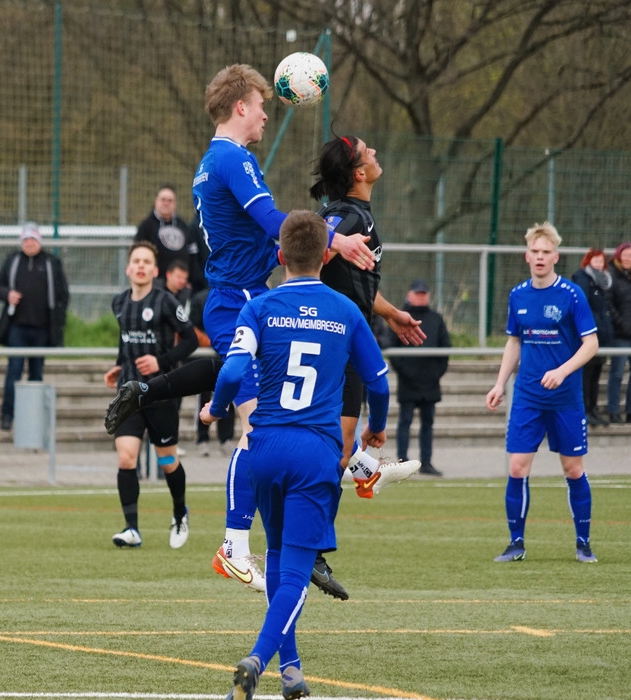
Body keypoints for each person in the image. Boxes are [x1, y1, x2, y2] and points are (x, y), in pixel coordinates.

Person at [104, 64, 375, 597]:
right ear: (240, 107)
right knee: (257, 430)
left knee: (278, 414)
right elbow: (273, 222)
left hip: (243, 295)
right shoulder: (233, 159)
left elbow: (264, 242)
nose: (267, 114)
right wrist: (333, 239)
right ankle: (235, 544)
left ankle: (355, 470)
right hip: (239, 301)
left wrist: (316, 242)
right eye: (261, 104)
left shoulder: (215, 162)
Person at [199, 210, 390, 700]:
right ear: (327, 255)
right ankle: (257, 660)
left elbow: (230, 373)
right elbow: (378, 382)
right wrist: (376, 428)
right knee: (297, 573)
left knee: (279, 557)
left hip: (264, 449)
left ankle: (292, 671)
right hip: (314, 452)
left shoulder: (259, 307)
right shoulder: (345, 310)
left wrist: (215, 410)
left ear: (280, 255)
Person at [306, 134, 426, 598]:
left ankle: (364, 471)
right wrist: (329, 243)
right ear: (358, 172)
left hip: (343, 337)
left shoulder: (355, 214)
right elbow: (313, 249)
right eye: (367, 151)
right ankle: (313, 547)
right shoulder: (348, 216)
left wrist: (392, 313)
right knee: (335, 451)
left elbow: (351, 282)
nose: (375, 152)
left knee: (335, 448)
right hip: (338, 344)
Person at [486, 221, 598, 565]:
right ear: (526, 255)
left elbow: (591, 344)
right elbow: (514, 342)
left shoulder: (571, 294)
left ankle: (583, 544)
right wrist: (500, 383)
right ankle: (516, 544)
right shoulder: (518, 295)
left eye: (546, 252)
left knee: (573, 470)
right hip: (528, 397)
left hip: (565, 399)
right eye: (534, 251)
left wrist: (562, 371)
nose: (539, 257)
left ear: (555, 257)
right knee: (517, 467)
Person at [104, 241, 198, 548]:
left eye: (146, 261)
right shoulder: (119, 303)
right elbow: (126, 343)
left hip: (160, 392)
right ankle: (131, 529)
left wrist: (161, 361)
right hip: (129, 393)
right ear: (128, 268)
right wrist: (119, 366)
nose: (141, 266)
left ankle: (180, 513)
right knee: (126, 457)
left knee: (168, 460)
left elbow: (190, 341)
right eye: (136, 261)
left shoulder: (165, 301)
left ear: (155, 270)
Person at [0, 221, 70, 431]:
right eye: (26, 239)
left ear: (39, 241)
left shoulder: (52, 262)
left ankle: (33, 419)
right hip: (17, 329)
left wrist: (58, 321)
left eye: (33, 239)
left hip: (42, 330)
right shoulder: (13, 260)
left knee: (36, 375)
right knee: (13, 372)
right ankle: (8, 415)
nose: (29, 243)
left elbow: (63, 294)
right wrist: (8, 294)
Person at [386, 280, 451, 476]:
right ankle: (402, 462)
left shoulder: (436, 319)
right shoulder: (400, 317)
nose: (421, 297)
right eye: (418, 293)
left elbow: (445, 348)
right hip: (408, 381)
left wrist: (436, 373)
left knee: (427, 423)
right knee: (405, 422)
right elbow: (392, 348)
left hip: (430, 382)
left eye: (424, 293)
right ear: (410, 294)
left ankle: (426, 462)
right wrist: (406, 372)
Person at [189, 288, 235, 457]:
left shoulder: (236, 295)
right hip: (207, 355)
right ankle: (202, 438)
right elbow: (191, 326)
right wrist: (210, 340)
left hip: (227, 355)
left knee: (229, 394)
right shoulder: (201, 298)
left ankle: (226, 439)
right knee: (204, 396)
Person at [570, 248, 613, 427]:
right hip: (588, 335)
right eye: (595, 260)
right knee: (586, 375)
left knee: (596, 374)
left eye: (601, 261)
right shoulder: (583, 279)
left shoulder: (604, 282)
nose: (598, 264)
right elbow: (583, 307)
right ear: (588, 261)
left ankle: (593, 409)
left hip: (602, 335)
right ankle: (584, 410)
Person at [134, 185, 204, 292]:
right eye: (163, 199)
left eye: (170, 200)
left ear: (175, 204)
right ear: (156, 201)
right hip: (154, 284)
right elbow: (139, 253)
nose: (166, 203)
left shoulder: (183, 226)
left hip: (181, 286)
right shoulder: (146, 226)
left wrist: (191, 278)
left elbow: (192, 253)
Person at [605, 242, 631, 424]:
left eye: (630, 256)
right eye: (624, 255)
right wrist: (620, 323)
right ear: (618, 256)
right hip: (621, 335)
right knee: (617, 373)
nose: (627, 259)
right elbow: (608, 303)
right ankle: (613, 410)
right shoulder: (612, 276)